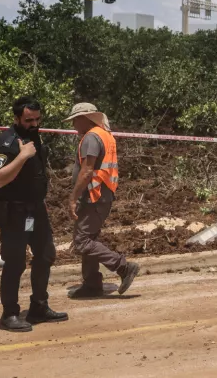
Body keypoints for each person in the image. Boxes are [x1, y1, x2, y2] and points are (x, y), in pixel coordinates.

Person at [0, 96, 67, 332]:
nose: (34, 124)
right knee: (15, 262)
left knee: (46, 255)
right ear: (16, 118)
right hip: (14, 211)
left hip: (36, 208)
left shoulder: (33, 136)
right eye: (28, 120)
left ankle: (39, 307)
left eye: (37, 119)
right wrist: (22, 157)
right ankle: (9, 314)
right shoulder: (7, 143)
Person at [65, 103, 139, 298]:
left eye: (75, 119)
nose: (73, 124)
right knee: (89, 239)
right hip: (100, 195)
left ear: (86, 118)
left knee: (82, 242)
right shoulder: (104, 134)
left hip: (93, 196)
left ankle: (123, 267)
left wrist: (73, 197)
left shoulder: (91, 137)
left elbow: (87, 170)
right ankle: (92, 284)